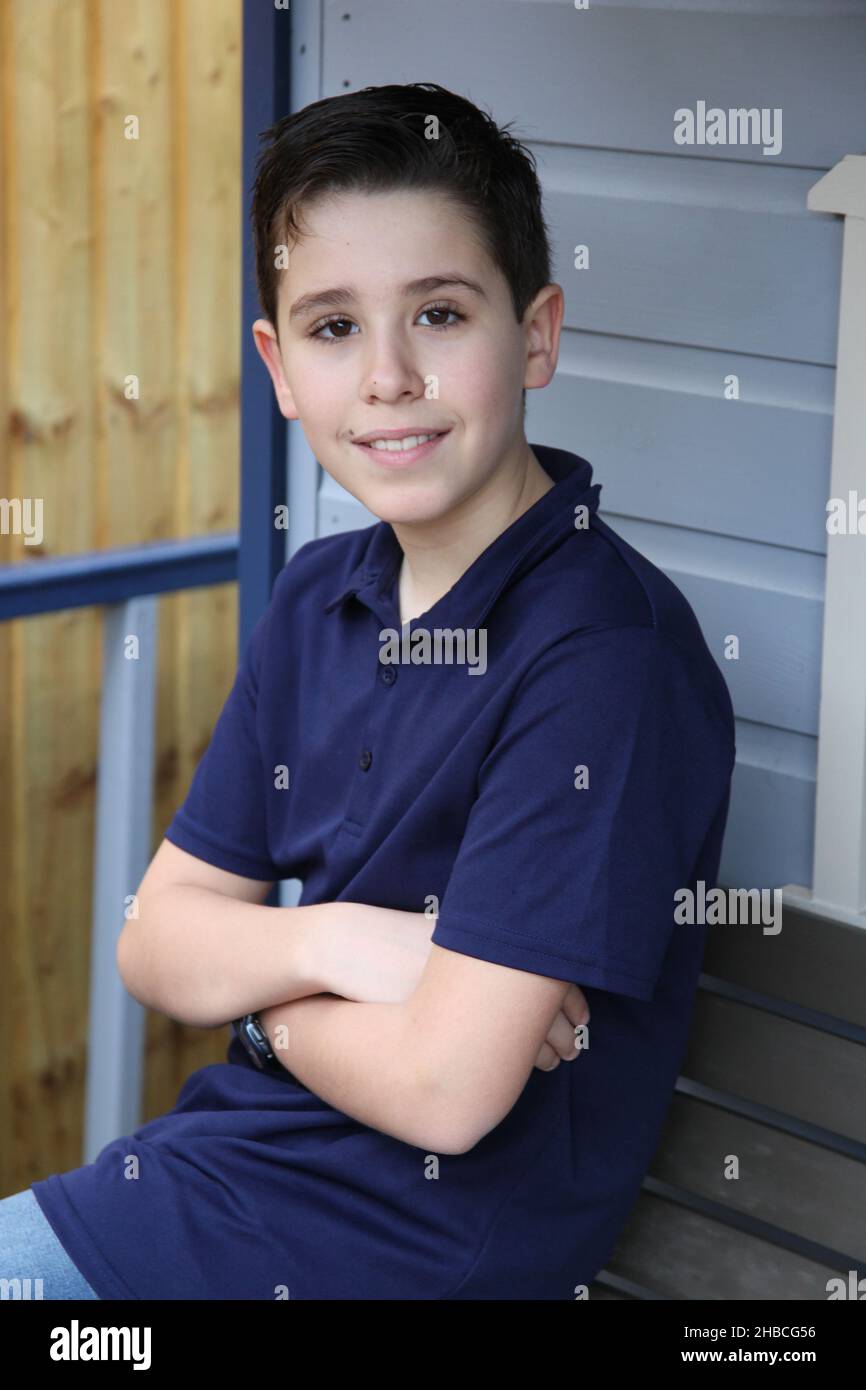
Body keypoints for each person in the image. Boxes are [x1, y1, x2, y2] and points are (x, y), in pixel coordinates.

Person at [5, 83, 735, 1300]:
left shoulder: (602, 657)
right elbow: (153, 939)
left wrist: (255, 1001)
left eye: (439, 313)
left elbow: (445, 1095)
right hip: (203, 1193)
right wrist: (347, 942)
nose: (388, 376)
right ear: (277, 365)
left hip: (404, 1262)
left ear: (536, 333)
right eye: (333, 326)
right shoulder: (319, 597)